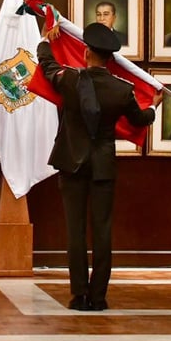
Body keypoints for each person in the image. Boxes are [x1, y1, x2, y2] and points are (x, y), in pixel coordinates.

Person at [37, 23, 162, 311]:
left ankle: (78, 295)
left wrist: (45, 40)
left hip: (72, 164)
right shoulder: (122, 90)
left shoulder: (69, 80)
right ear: (110, 59)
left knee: (75, 231)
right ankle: (99, 297)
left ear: (86, 52)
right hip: (103, 167)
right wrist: (155, 105)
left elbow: (46, 64)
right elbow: (141, 119)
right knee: (103, 232)